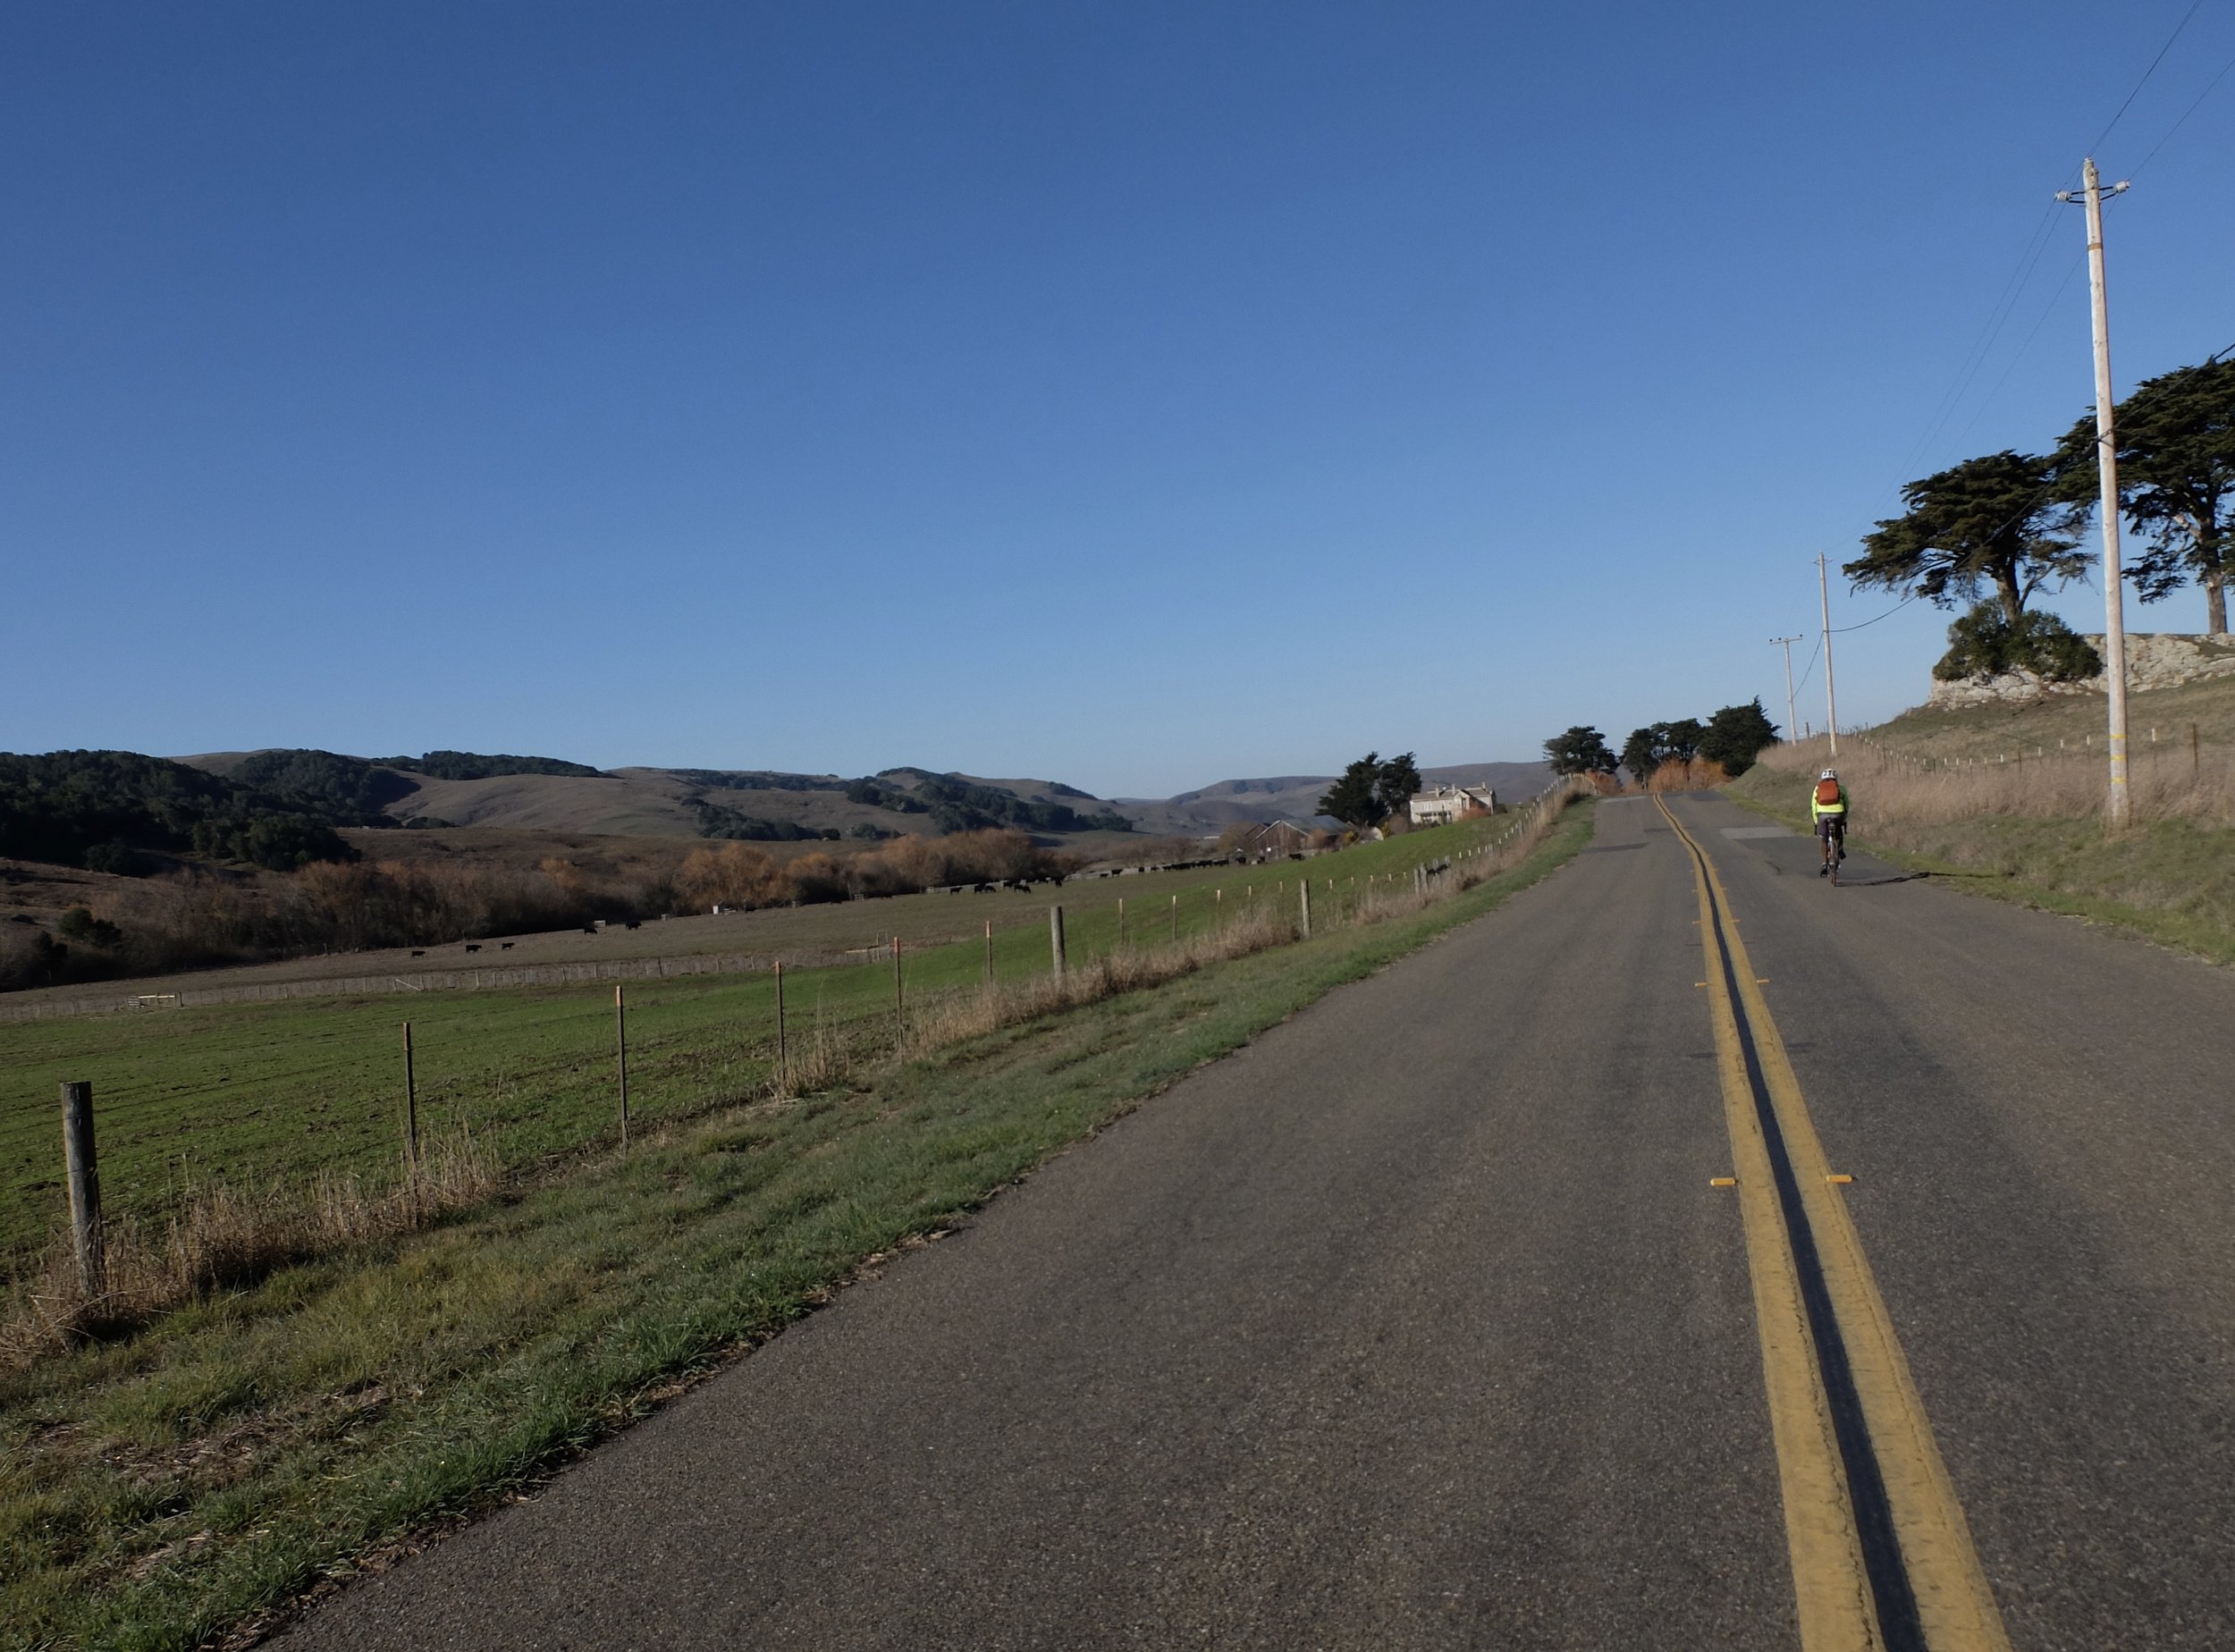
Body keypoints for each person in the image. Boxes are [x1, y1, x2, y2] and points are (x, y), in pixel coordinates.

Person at [1810, 768, 1848, 877]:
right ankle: (1839, 850)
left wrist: (1816, 821)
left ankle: (1824, 864)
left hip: (1822, 814)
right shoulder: (1841, 788)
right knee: (1838, 834)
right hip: (1838, 813)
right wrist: (1844, 818)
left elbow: (1814, 806)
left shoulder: (1817, 789)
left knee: (1823, 839)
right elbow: (1846, 804)